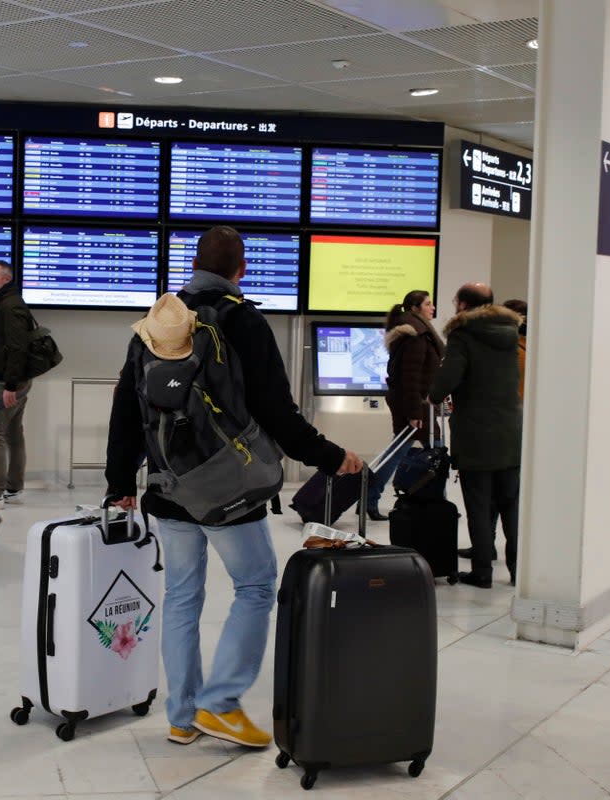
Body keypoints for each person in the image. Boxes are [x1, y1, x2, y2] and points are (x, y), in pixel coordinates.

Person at [105, 226, 363, 749]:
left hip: (167, 485)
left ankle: (181, 717)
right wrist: (332, 457)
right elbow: (277, 411)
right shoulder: (243, 321)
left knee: (180, 597)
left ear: (193, 263)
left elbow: (125, 408)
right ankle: (219, 705)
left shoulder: (158, 323)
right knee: (255, 585)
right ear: (240, 271)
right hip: (228, 489)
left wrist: (119, 482)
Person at [429, 283, 522, 588]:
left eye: (455, 301)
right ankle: (518, 569)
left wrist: (434, 393)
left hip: (476, 434)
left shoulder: (463, 335)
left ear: (464, 305)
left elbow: (445, 383)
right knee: (511, 503)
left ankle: (482, 571)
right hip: (510, 431)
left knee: (479, 505)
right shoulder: (510, 334)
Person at [365, 290, 444, 520]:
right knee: (428, 453)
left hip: (415, 403)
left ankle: (371, 498)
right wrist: (414, 411)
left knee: (415, 451)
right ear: (414, 308)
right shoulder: (416, 336)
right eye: (428, 304)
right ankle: (370, 498)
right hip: (415, 404)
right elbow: (410, 377)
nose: (433, 308)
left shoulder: (414, 332)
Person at [0, 259, 33, 509]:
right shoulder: (6, 303)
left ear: (7, 279)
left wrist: (10, 385)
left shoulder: (10, 306)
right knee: (13, 433)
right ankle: (13, 488)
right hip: (11, 380)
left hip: (6, 382)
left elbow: (17, 347)